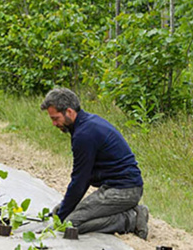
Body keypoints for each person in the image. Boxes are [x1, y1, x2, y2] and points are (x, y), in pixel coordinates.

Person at [40, 88, 149, 239]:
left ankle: (131, 219)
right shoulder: (87, 124)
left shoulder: (84, 134)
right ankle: (127, 213)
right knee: (66, 212)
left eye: (56, 118)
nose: (53, 123)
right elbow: (83, 178)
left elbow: (80, 181)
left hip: (124, 190)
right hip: (114, 187)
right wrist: (65, 207)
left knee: (70, 224)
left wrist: (62, 217)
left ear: (69, 112)